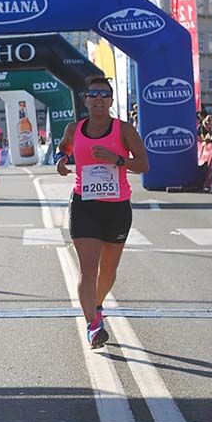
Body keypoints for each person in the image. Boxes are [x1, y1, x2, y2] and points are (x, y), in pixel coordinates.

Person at [55, 77, 149, 350]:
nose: (98, 99)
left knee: (108, 270)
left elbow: (144, 164)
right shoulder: (75, 129)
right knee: (88, 268)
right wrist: (61, 161)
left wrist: (116, 159)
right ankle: (92, 326)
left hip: (117, 207)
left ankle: (96, 306)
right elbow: (64, 149)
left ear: (110, 100)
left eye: (104, 95)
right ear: (85, 100)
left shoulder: (123, 130)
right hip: (85, 204)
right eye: (93, 94)